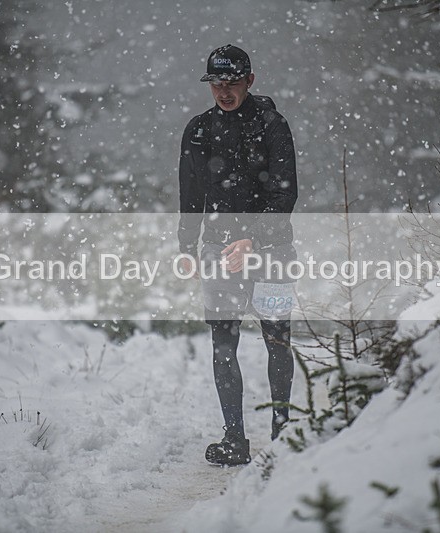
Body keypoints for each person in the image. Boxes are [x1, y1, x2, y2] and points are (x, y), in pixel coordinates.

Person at [177, 44, 298, 466]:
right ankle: (235, 441)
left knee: (277, 340)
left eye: (231, 83)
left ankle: (284, 435)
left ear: (250, 80)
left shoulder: (272, 125)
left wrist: (255, 239)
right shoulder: (197, 130)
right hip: (218, 251)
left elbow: (284, 190)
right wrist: (186, 245)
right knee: (223, 343)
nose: (224, 92)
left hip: (273, 252)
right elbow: (190, 194)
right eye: (216, 84)